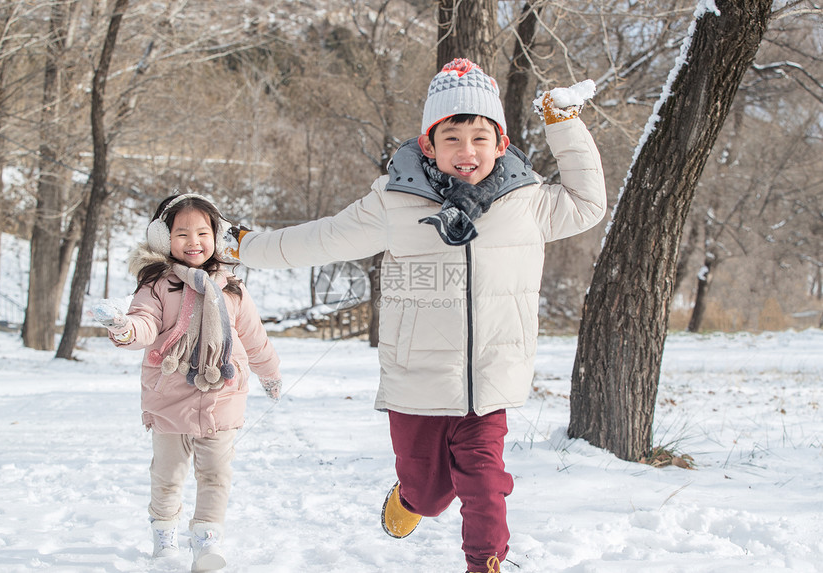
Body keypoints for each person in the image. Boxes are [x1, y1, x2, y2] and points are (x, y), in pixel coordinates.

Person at [224, 58, 607, 573]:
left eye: (480, 137)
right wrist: (246, 246)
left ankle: (485, 564)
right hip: (418, 382)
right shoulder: (395, 202)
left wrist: (564, 124)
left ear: (501, 142)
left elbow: (587, 202)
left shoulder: (527, 200)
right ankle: (411, 500)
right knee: (428, 492)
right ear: (428, 143)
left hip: (488, 380)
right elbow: (320, 239)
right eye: (452, 137)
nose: (466, 152)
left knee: (485, 482)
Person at [91, 193, 281, 572]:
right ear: (163, 239)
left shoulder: (232, 287)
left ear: (217, 235)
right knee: (168, 473)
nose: (193, 242)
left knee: (215, 472)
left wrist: (270, 372)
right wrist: (125, 328)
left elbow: (254, 337)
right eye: (181, 234)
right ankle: (164, 534)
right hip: (170, 396)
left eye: (202, 233)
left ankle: (207, 539)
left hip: (221, 395)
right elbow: (145, 322)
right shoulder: (158, 285)